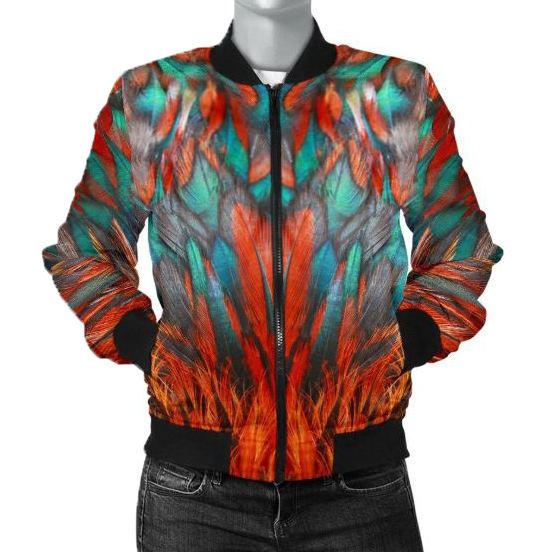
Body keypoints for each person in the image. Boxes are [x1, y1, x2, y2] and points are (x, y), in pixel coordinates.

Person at [41, 1, 503, 550]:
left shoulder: (394, 93)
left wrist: (399, 345)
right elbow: (85, 251)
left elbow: (461, 247)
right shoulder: (154, 97)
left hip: (358, 482)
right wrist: (153, 348)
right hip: (195, 493)